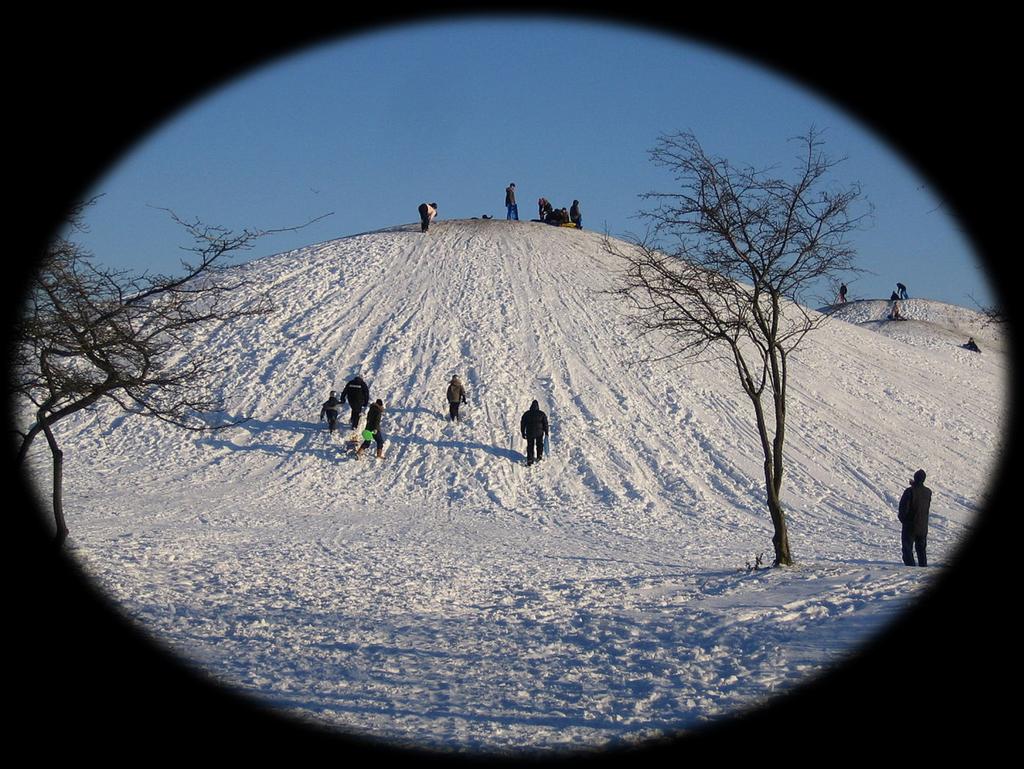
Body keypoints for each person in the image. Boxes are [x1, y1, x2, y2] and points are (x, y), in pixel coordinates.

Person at [898, 469, 932, 566]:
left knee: (907, 550)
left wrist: (904, 520)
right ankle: (922, 571)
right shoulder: (928, 492)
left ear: (915, 477)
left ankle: (911, 570)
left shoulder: (909, 491)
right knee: (921, 551)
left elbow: (903, 508)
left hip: (910, 526)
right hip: (923, 526)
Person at [520, 400, 549, 466]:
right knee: (539, 444)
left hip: (529, 432)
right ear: (538, 406)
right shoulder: (542, 414)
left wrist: (522, 432)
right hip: (539, 432)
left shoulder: (527, 414)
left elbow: (523, 423)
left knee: (530, 445)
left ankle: (530, 459)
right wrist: (546, 432)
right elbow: (545, 423)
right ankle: (539, 456)